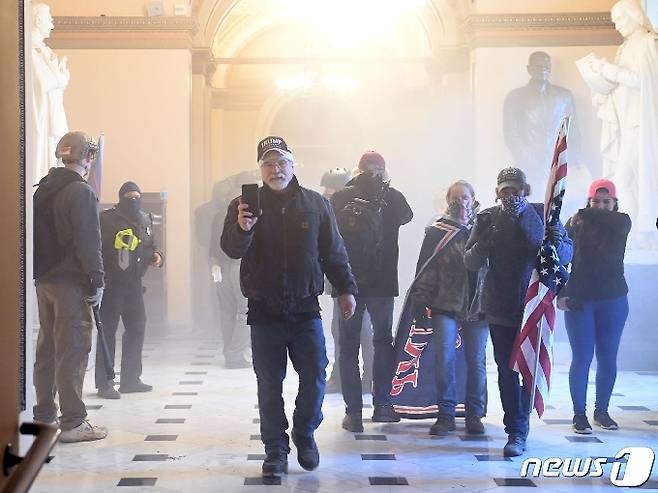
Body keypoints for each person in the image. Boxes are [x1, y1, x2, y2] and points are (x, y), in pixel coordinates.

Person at [221, 136, 357, 478]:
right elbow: (231, 249)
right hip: (264, 309)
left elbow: (333, 251)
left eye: (281, 162)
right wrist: (243, 228)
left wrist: (346, 289)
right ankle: (275, 450)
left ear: (293, 165)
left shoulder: (315, 204)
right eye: (268, 164)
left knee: (315, 376)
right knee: (269, 384)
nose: (275, 169)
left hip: (304, 307)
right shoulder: (243, 205)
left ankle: (304, 431)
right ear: (260, 169)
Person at [464, 167, 572, 457]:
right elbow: (470, 261)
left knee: (528, 368)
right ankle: (514, 429)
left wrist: (530, 222)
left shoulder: (542, 213)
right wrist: (489, 237)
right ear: (497, 192)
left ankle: (521, 426)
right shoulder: (487, 218)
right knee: (506, 369)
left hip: (532, 304)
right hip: (499, 305)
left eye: (515, 190)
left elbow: (560, 251)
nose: (510, 196)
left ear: (526, 190)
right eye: (505, 191)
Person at [331, 151, 413, 432]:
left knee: (349, 346)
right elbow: (407, 215)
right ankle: (382, 405)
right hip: (378, 281)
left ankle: (354, 413)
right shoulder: (391, 195)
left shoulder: (342, 195)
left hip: (350, 281)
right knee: (381, 342)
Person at [33, 131, 107, 443]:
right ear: (87, 157)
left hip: (44, 280)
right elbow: (88, 241)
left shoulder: (44, 188)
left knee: (48, 348)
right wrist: (98, 279)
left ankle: (44, 417)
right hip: (70, 284)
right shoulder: (80, 191)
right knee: (73, 349)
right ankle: (74, 422)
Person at [410, 181, 488, 435]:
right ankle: (446, 414)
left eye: (464, 197)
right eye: (455, 198)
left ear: (474, 198)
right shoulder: (437, 232)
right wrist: (420, 300)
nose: (460, 202)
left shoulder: (485, 227)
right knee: (445, 358)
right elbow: (426, 268)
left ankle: (475, 414)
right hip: (446, 302)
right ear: (447, 200)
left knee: (476, 360)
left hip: (478, 306)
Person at [557, 179, 631, 434]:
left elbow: (608, 221)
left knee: (608, 357)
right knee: (582, 358)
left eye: (606, 202)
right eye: (595, 201)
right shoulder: (575, 224)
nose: (600, 206)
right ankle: (580, 414)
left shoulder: (622, 221)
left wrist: (585, 214)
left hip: (613, 300)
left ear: (614, 203)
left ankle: (602, 411)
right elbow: (561, 258)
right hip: (580, 300)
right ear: (589, 201)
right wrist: (560, 293)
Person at [587, 0, 658, 242]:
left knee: (632, 178)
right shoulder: (626, 47)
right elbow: (623, 86)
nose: (616, 25)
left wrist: (608, 70)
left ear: (633, 16)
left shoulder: (647, 43)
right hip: (627, 122)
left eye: (619, 19)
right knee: (623, 179)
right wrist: (602, 91)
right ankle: (636, 230)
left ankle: (643, 230)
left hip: (640, 123)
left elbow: (644, 82)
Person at [95, 182, 163, 398]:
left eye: (136, 196)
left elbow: (151, 245)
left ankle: (131, 379)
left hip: (134, 283)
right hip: (112, 284)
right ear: (120, 197)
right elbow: (98, 248)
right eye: (128, 196)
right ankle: (105, 383)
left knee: (137, 328)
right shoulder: (106, 219)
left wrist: (158, 256)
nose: (133, 200)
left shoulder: (145, 218)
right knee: (108, 332)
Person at [320, 167, 374, 394]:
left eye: (330, 190)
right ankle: (343, 376)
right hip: (341, 280)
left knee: (361, 331)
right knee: (341, 330)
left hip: (354, 280)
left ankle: (368, 377)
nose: (325, 195)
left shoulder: (353, 215)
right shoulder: (334, 209)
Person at [503, 51, 579, 190]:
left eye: (546, 65)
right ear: (529, 69)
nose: (543, 69)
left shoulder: (564, 96)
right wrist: (527, 157)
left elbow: (574, 131)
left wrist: (572, 159)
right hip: (528, 164)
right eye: (538, 65)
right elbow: (510, 134)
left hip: (558, 162)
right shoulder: (515, 97)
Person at [208, 172, 258, 368]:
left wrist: (214, 264)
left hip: (224, 265)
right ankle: (235, 353)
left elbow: (213, 241)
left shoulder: (222, 210)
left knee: (228, 312)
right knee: (245, 311)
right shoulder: (248, 208)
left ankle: (230, 351)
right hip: (240, 265)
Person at [31, 3, 70, 180]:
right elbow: (40, 83)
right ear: (38, 20)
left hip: (50, 118)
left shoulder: (44, 52)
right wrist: (61, 78)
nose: (52, 24)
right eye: (50, 19)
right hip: (40, 121)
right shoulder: (30, 52)